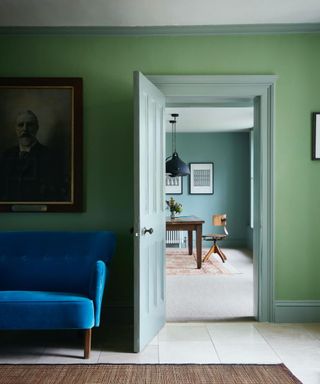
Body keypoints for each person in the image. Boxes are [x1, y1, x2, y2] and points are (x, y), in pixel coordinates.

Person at [0, 110, 66, 202]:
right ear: (16, 129)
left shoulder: (50, 157)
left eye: (29, 125)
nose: (25, 129)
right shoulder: (5, 156)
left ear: (37, 128)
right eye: (20, 125)